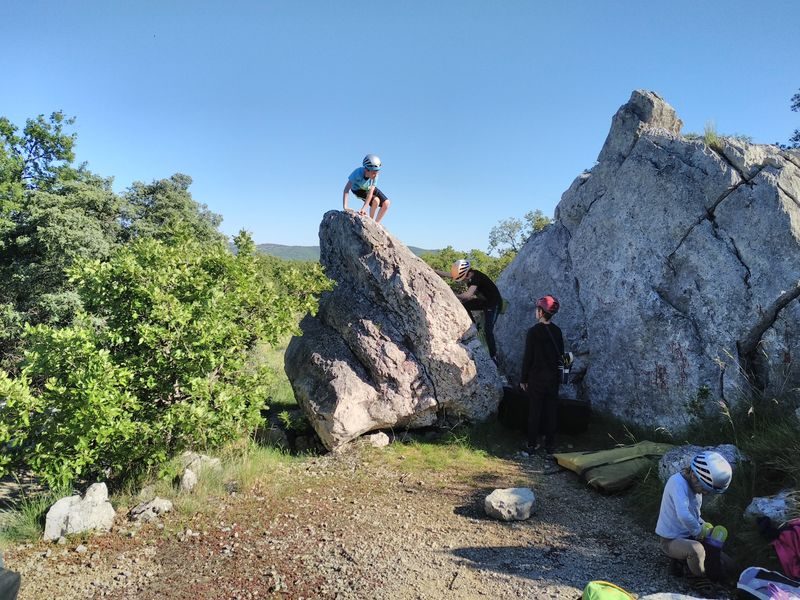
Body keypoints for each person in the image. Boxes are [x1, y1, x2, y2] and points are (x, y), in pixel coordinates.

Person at [656, 451, 734, 597]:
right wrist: (698, 532)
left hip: (689, 535)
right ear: (694, 476)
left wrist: (704, 527)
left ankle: (690, 564)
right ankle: (698, 577)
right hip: (671, 540)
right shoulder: (676, 483)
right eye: (705, 489)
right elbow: (684, 515)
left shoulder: (695, 487)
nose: (705, 494)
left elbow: (694, 515)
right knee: (696, 550)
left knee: (728, 563)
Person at [520, 295, 563, 454]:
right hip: (553, 378)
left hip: (536, 378)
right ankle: (550, 445)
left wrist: (523, 379)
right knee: (551, 411)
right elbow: (561, 356)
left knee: (535, 411)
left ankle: (532, 444)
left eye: (537, 309)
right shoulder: (557, 331)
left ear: (541, 311)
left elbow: (528, 357)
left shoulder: (533, 332)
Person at [436, 259, 502, 361]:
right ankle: (473, 326)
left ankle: (494, 356)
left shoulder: (476, 276)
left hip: (493, 304)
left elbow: (467, 295)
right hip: (483, 301)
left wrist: (452, 295)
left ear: (468, 273)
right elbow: (450, 275)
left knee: (488, 330)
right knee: (465, 306)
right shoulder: (469, 275)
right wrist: (434, 271)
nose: (464, 280)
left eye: (464, 278)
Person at [342, 154, 391, 223]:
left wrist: (364, 208)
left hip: (368, 187)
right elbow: (346, 190)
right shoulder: (357, 173)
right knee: (376, 201)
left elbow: (370, 193)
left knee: (387, 203)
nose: (376, 175)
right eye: (374, 172)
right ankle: (371, 221)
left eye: (377, 172)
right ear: (366, 170)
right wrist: (345, 206)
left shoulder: (375, 175)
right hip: (358, 189)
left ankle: (376, 224)